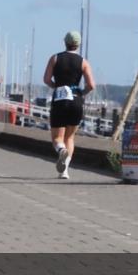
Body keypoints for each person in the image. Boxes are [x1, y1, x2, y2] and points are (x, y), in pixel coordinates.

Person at [42, 30, 95, 180]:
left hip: (60, 99)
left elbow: (46, 79)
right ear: (78, 45)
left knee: (57, 139)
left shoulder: (55, 58)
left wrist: (57, 87)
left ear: (65, 42)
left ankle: (61, 151)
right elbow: (91, 85)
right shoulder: (83, 62)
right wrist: (81, 93)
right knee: (70, 137)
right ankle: (64, 172)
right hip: (76, 100)